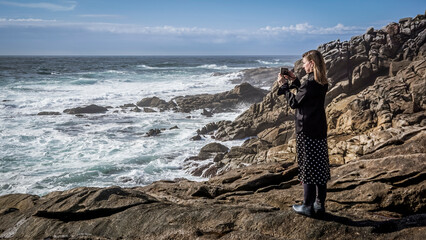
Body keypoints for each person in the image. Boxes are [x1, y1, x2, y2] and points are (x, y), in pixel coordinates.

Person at [276, 50, 330, 217]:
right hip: (319, 128)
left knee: (307, 167)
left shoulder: (310, 84)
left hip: (306, 130)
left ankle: (307, 206)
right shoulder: (322, 82)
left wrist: (284, 87)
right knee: (320, 167)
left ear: (312, 63)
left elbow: (294, 103)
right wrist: (295, 80)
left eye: (305, 62)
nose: (303, 65)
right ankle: (319, 204)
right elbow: (306, 95)